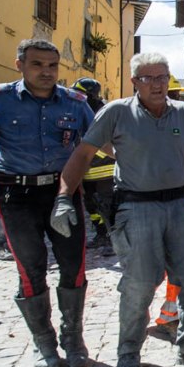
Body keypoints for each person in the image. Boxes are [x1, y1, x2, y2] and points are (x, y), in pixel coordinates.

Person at [56, 52, 184, 367]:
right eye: (148, 78)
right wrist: (62, 197)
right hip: (135, 207)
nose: (157, 84)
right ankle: (128, 351)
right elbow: (83, 154)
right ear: (134, 82)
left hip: (179, 206)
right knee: (139, 284)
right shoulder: (116, 113)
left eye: (162, 77)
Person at [0, 39, 93, 367]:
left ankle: (73, 338)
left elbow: (101, 141)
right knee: (31, 268)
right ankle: (44, 343)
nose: (47, 72)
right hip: (15, 195)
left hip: (62, 192)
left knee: (73, 266)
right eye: (38, 64)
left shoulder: (74, 103)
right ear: (19, 64)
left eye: (52, 65)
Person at [71, 78, 115, 255]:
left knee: (108, 206)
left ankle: (114, 240)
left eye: (79, 93)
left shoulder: (104, 113)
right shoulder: (78, 112)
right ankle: (101, 235)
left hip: (106, 170)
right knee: (92, 206)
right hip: (87, 171)